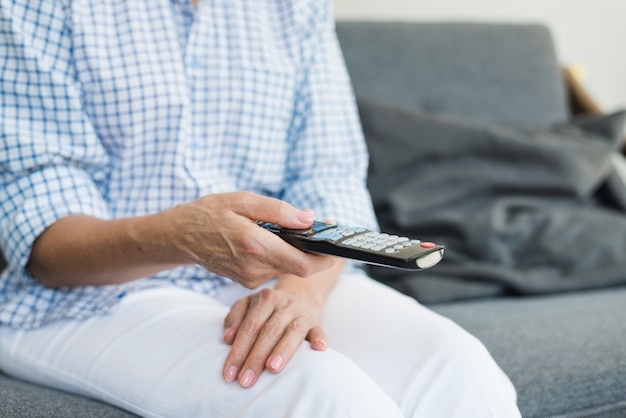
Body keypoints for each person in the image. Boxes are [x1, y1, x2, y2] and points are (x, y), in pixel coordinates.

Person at [0, 0, 521, 416]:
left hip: (272, 276)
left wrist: (299, 294)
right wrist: (179, 236)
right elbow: (45, 241)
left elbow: (329, 176)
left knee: (459, 368)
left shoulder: (293, 7)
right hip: (95, 293)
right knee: (322, 394)